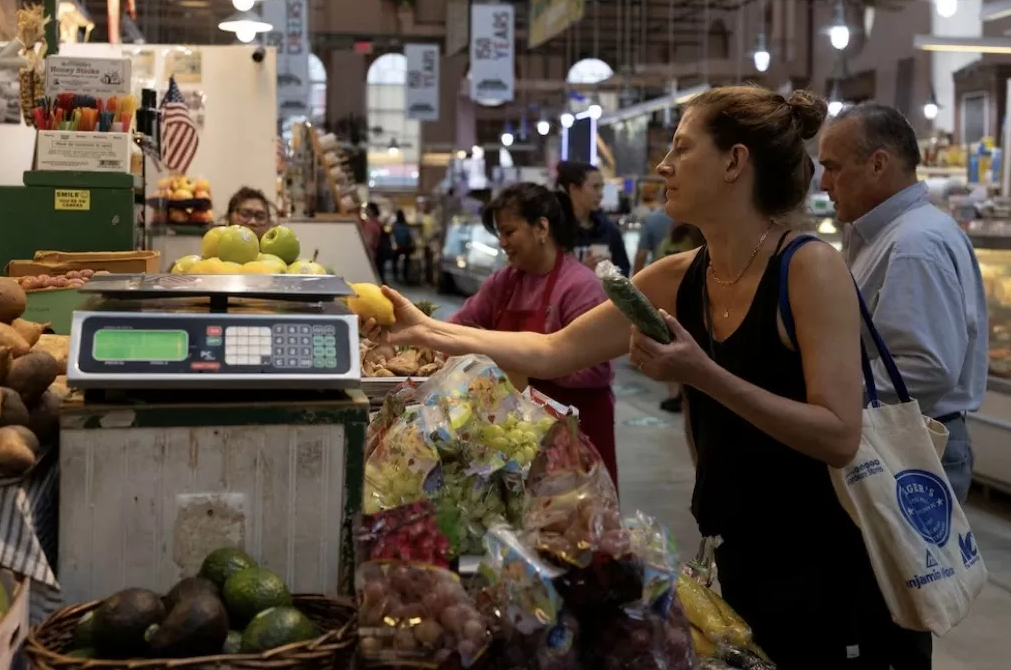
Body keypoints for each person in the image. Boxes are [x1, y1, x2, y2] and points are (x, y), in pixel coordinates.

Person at [379, 87, 931, 669]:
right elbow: (552, 349)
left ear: (734, 163)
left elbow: (838, 434)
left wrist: (702, 374)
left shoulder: (809, 269)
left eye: (682, 148)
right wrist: (429, 333)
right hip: (730, 548)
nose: (662, 166)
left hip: (819, 564)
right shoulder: (678, 277)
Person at [818, 102, 987, 502]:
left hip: (910, 449)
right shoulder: (885, 235)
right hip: (895, 441)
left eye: (833, 166)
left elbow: (927, 367)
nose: (824, 183)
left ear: (878, 164)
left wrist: (825, 389)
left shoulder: (914, 244)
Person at [444, 183, 619, 484]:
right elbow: (459, 324)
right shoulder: (505, 282)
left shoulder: (580, 287)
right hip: (517, 431)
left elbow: (596, 369)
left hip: (576, 429)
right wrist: (424, 336)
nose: (502, 242)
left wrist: (523, 364)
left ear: (541, 228)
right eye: (498, 233)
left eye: (509, 232)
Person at [655, 223, 706, 414]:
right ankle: (682, 396)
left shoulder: (669, 241)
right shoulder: (695, 242)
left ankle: (676, 395)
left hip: (669, 302)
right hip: (688, 302)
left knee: (670, 347)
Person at [555, 162, 630, 276]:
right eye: (595, 187)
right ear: (573, 189)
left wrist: (612, 273)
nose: (600, 194)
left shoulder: (608, 231)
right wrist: (582, 270)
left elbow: (624, 271)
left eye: (601, 187)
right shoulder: (556, 231)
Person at [633, 193, 674, 275]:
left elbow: (641, 255)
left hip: (659, 274)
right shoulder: (692, 221)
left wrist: (634, 281)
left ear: (662, 197)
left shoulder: (652, 220)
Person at [361, 203, 386, 280]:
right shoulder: (378, 223)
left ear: (371, 211)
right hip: (380, 252)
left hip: (372, 253)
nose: (365, 211)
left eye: (367, 209)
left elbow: (368, 241)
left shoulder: (370, 224)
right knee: (380, 274)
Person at [391, 210, 416, 284]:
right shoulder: (406, 224)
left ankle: (395, 276)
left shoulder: (395, 225)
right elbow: (410, 235)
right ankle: (405, 276)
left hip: (398, 246)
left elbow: (392, 235)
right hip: (406, 246)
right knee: (406, 262)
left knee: (395, 261)